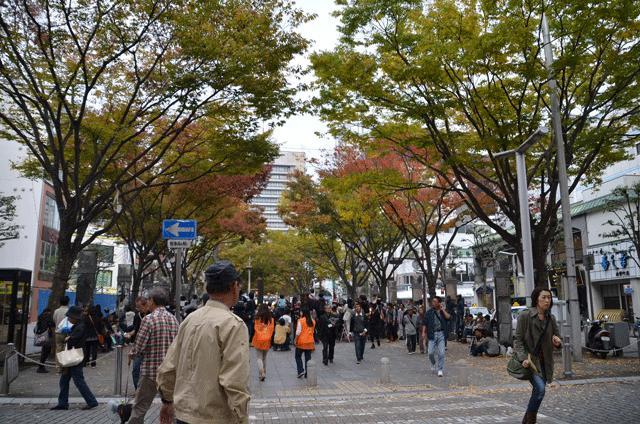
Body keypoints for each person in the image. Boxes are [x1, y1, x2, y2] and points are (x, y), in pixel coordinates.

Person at [156, 261, 249, 424]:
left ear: (207, 287)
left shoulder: (190, 319)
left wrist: (167, 400)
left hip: (184, 415)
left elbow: (169, 366)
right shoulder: (233, 324)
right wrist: (242, 417)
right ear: (234, 286)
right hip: (215, 417)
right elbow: (234, 380)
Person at [127, 288, 179, 424]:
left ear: (152, 301)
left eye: (148, 300)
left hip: (151, 370)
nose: (147, 303)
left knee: (140, 407)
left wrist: (132, 354)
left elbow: (139, 346)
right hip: (169, 371)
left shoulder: (149, 319)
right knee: (171, 406)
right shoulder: (174, 319)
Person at [514, 287, 562, 424]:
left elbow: (557, 337)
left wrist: (557, 342)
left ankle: (526, 420)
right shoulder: (525, 316)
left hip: (545, 363)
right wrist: (523, 358)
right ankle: (531, 421)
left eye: (549, 297)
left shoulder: (551, 318)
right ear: (536, 299)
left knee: (538, 391)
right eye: (544, 297)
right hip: (530, 362)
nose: (547, 300)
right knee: (540, 389)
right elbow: (518, 340)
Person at [50, 306, 98, 411]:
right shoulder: (78, 325)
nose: (69, 319)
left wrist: (68, 338)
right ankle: (63, 403)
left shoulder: (80, 326)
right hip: (73, 356)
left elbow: (72, 340)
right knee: (65, 380)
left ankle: (91, 401)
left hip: (75, 356)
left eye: (70, 317)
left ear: (75, 317)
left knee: (78, 381)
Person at [422, 296, 450, 377]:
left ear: (439, 303)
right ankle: (433, 363)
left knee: (441, 353)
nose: (433, 303)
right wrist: (423, 332)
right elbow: (424, 323)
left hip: (441, 334)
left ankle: (440, 369)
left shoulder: (442, 311)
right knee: (430, 352)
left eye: (435, 301)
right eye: (432, 301)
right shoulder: (429, 312)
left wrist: (442, 309)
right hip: (432, 334)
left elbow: (448, 317)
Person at [127, 296, 149, 389]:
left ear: (146, 305)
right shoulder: (137, 316)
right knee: (135, 369)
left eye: (139, 307)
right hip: (138, 346)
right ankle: (138, 389)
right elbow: (136, 330)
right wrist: (130, 334)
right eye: (137, 307)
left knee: (148, 371)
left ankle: (147, 390)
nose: (138, 309)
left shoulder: (151, 315)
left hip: (149, 347)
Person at [252, 303, 275, 382]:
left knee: (259, 357)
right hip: (267, 340)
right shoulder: (271, 319)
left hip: (258, 339)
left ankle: (261, 373)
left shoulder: (257, 318)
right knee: (264, 358)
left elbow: (255, 328)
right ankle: (263, 373)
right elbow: (272, 330)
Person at [294, 304, 315, 378]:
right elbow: (313, 332)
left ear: (303, 312)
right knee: (308, 358)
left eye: (301, 312)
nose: (300, 313)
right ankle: (307, 373)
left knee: (297, 356)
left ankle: (300, 371)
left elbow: (298, 332)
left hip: (301, 342)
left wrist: (295, 339)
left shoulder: (300, 320)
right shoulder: (313, 321)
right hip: (310, 342)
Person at [52, 296, 70, 372]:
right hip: (67, 333)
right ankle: (65, 366)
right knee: (66, 349)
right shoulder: (69, 311)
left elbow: (54, 320)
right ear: (68, 302)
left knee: (58, 349)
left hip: (58, 332)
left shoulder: (56, 311)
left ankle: (58, 367)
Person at [34, 308, 55, 373]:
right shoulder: (48, 317)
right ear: (48, 312)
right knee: (46, 350)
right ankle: (41, 366)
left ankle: (41, 365)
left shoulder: (40, 317)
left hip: (41, 335)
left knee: (44, 350)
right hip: (47, 335)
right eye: (50, 312)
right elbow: (52, 324)